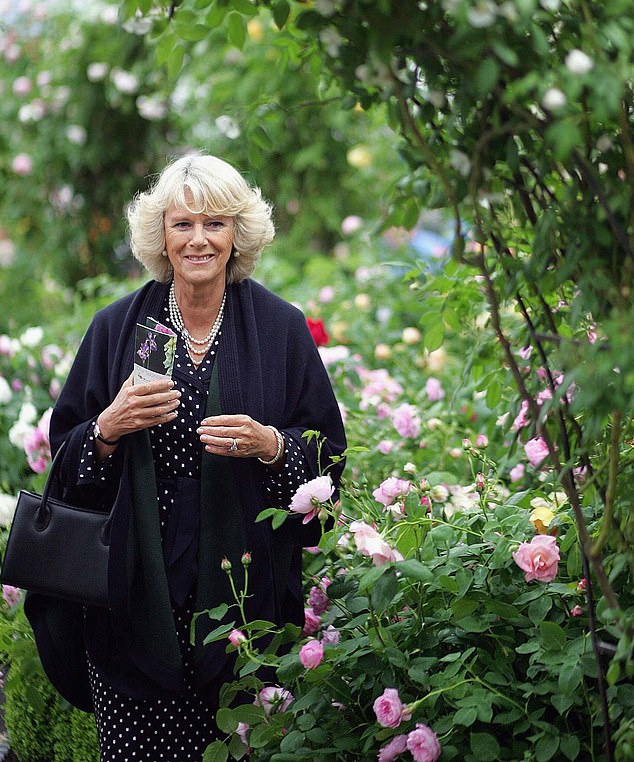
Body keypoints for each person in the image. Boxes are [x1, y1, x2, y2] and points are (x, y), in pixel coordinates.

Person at [25, 153, 346, 760]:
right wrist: (107, 429)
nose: (200, 239)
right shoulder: (115, 328)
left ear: (237, 235)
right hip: (131, 607)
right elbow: (64, 465)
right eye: (183, 224)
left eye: (216, 223)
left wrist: (271, 446)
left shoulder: (281, 329)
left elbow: (328, 458)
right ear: (161, 236)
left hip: (243, 612)